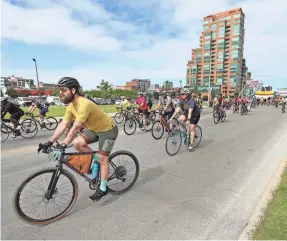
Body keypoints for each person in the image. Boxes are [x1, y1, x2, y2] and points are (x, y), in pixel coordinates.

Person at [40, 77, 118, 201]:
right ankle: (96, 159)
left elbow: (76, 127)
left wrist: (64, 144)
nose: (61, 93)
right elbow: (63, 124)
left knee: (104, 159)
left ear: (73, 90)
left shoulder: (84, 103)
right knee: (77, 143)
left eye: (63, 90)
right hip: (94, 129)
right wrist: (50, 142)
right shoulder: (71, 106)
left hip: (108, 130)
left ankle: (104, 188)